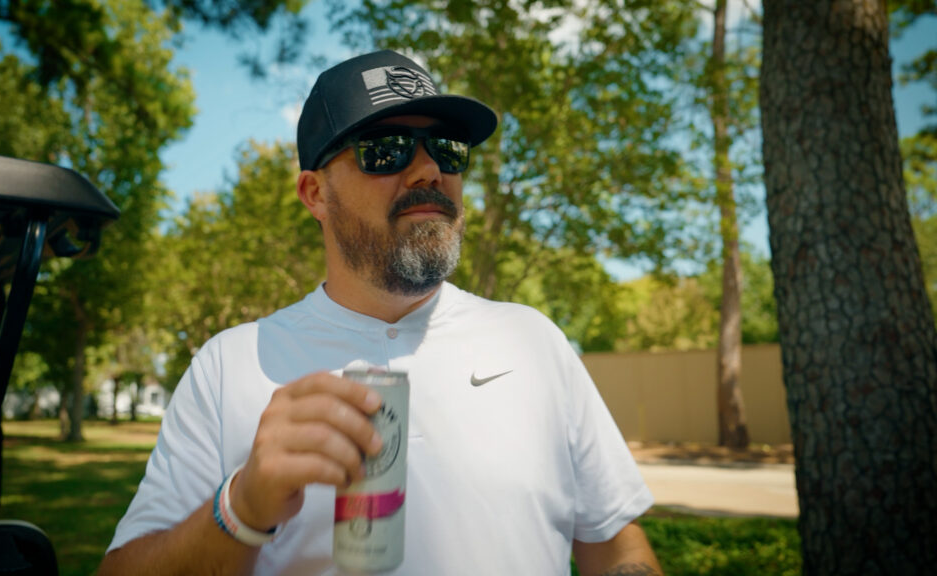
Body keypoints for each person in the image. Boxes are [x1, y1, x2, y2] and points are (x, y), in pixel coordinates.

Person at [98, 50, 662, 576]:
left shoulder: (533, 342)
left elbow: (614, 543)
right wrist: (240, 507)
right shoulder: (230, 364)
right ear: (315, 193)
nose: (428, 172)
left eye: (448, 149)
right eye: (385, 150)